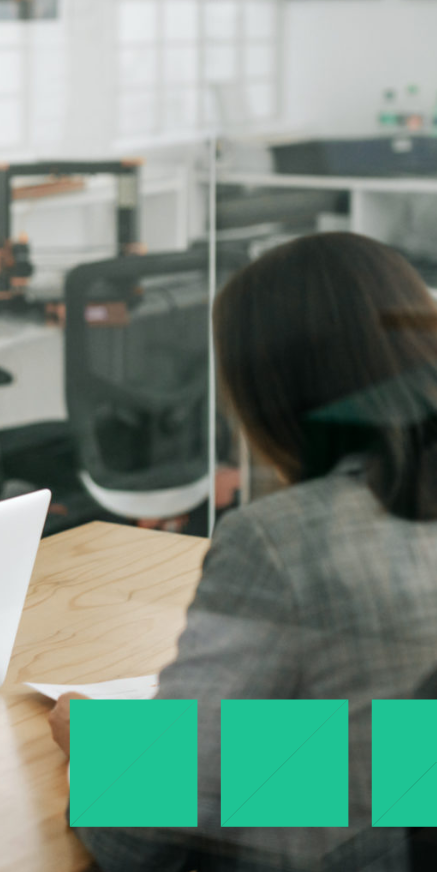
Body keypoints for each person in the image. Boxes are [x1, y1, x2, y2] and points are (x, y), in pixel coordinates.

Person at [48, 232, 437, 871]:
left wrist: (101, 746)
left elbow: (143, 831)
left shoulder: (283, 541)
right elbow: (399, 761)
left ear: (271, 393)